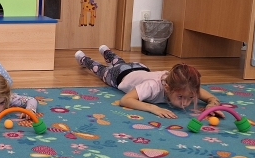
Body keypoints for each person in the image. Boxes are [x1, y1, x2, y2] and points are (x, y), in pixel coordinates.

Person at [75, 46, 222, 120]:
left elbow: (209, 97)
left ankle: (105, 50)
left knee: (120, 62)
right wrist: (153, 108)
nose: (185, 103)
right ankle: (83, 58)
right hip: (119, 75)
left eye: (190, 98)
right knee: (100, 70)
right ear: (167, 87)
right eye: (180, 97)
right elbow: (125, 100)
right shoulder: (153, 86)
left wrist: (211, 105)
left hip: (140, 68)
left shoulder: (185, 85)